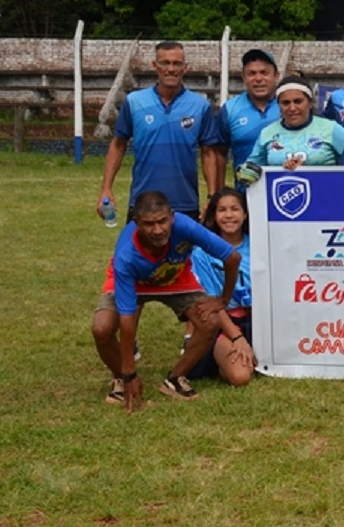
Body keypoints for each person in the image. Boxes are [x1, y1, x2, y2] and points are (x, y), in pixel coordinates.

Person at [91, 191, 254, 410]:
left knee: (210, 321)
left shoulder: (185, 226)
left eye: (162, 221)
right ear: (136, 222)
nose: (157, 230)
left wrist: (222, 300)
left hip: (173, 276)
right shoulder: (126, 255)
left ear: (172, 216)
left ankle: (176, 378)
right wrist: (129, 372)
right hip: (133, 280)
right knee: (102, 328)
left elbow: (232, 257)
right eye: (149, 224)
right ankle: (120, 378)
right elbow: (127, 320)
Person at [98, 40, 222, 221]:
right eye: (165, 63)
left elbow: (209, 152)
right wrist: (106, 189)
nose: (171, 69)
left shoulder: (200, 105)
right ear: (155, 66)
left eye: (177, 63)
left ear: (185, 68)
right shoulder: (134, 102)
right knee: (136, 250)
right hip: (142, 202)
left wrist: (211, 196)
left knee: (185, 250)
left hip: (185, 203)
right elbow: (118, 145)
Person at [187, 188, 256, 386]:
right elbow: (212, 304)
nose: (228, 215)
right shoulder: (202, 253)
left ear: (245, 214)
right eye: (222, 210)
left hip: (259, 322)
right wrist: (237, 338)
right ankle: (215, 358)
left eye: (235, 209)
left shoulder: (261, 244)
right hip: (224, 323)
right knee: (240, 376)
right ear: (214, 216)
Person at [246, 76, 344, 169]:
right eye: (286, 103)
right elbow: (251, 168)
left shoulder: (330, 128)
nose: (292, 108)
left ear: (310, 103)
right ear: (279, 105)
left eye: (298, 101)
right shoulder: (267, 133)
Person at [216, 48, 280, 190]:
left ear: (276, 76)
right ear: (243, 78)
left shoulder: (289, 105)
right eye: (251, 73)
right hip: (246, 194)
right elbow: (219, 154)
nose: (258, 79)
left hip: (284, 191)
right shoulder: (230, 109)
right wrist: (219, 193)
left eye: (264, 73)